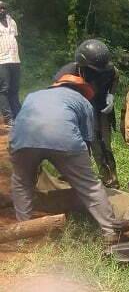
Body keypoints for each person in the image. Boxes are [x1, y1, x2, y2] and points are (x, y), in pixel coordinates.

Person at [9, 74, 121, 242]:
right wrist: (78, 172)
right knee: (90, 187)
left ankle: (23, 235)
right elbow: (87, 139)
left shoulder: (33, 95)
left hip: (23, 139)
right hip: (64, 139)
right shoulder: (83, 101)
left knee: (21, 184)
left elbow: (22, 120)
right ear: (82, 91)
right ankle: (111, 232)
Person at [54, 39, 119, 187]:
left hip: (101, 107)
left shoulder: (108, 68)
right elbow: (58, 96)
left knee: (103, 145)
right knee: (80, 143)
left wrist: (111, 95)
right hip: (78, 109)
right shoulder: (67, 73)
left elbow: (115, 75)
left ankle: (110, 180)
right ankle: (75, 181)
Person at [0, 1, 22, 127]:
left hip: (15, 60)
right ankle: (8, 118)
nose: (2, 10)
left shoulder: (12, 22)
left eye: (3, 8)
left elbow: (15, 38)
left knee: (14, 89)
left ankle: (18, 114)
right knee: (4, 89)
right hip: (1, 61)